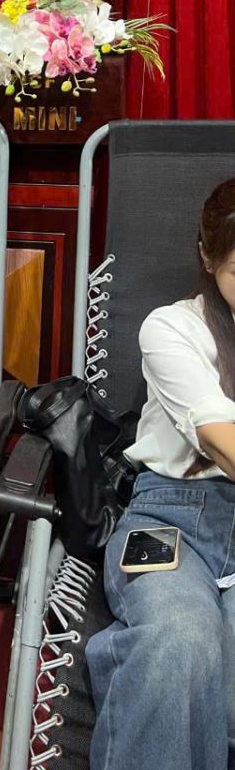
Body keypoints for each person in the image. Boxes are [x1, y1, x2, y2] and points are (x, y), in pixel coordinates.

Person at [86, 178, 235, 770]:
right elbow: (219, 438)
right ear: (207, 258)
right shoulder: (171, 328)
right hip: (171, 515)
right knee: (179, 635)